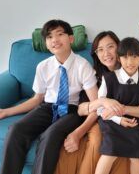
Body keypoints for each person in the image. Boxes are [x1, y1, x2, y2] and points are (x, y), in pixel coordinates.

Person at [0, 19, 98, 174]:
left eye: (60, 34)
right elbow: (36, 99)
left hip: (71, 110)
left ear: (71, 39)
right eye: (49, 37)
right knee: (16, 129)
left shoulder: (82, 65)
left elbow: (95, 103)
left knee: (50, 135)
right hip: (48, 107)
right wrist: (5, 112)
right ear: (45, 43)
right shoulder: (43, 66)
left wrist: (80, 132)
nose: (55, 40)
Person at [54, 31, 129, 174]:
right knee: (91, 140)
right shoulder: (94, 74)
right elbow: (81, 109)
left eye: (110, 47)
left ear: (119, 47)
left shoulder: (130, 71)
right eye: (100, 49)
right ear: (96, 54)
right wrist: (102, 101)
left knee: (98, 140)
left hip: (120, 121)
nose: (106, 53)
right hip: (97, 120)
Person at [94, 37, 139, 174]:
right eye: (125, 57)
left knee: (137, 158)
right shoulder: (109, 78)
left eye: (134, 57)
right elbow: (100, 108)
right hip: (112, 122)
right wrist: (119, 119)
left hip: (135, 122)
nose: (130, 62)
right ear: (118, 58)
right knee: (109, 154)